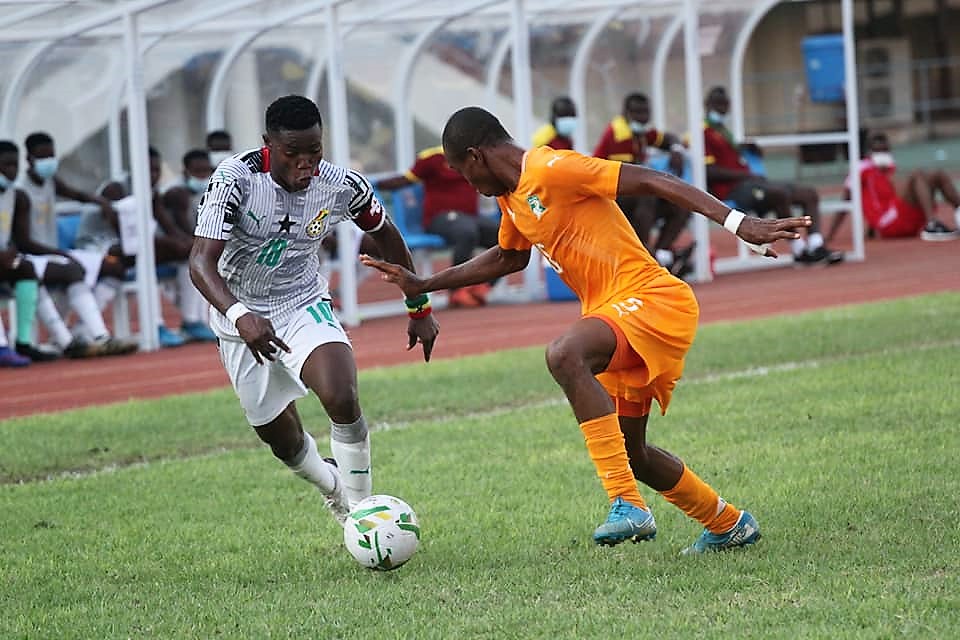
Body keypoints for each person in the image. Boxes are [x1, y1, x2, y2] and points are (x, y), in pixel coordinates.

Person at [362, 107, 809, 553]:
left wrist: (739, 222)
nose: (470, 187)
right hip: (614, 313)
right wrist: (425, 284)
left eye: (463, 173)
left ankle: (626, 504)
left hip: (651, 299)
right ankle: (728, 523)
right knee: (634, 453)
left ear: (476, 156)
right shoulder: (509, 196)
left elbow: (654, 180)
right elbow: (508, 258)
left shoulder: (553, 167)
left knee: (564, 354)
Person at [189, 95, 439, 525]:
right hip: (240, 319)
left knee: (341, 396)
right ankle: (334, 488)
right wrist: (239, 316)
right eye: (293, 154)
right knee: (283, 443)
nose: (306, 163)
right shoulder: (236, 179)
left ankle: (361, 515)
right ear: (269, 144)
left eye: (315, 151)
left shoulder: (342, 184)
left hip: (302, 302)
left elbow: (387, 236)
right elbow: (200, 263)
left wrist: (418, 306)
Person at [0, 139, 133, 359]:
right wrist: (58, 253)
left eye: (51, 156)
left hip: (45, 254)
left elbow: (76, 194)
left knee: (114, 267)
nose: (12, 171)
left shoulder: (41, 185)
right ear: (30, 159)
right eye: (7, 165)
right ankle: (74, 341)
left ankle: (86, 334)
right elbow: (22, 242)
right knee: (66, 270)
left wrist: (101, 202)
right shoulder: (22, 192)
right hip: (34, 255)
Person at [702, 86, 843, 264]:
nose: (722, 108)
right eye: (717, 104)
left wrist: (744, 148)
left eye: (725, 104)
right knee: (779, 194)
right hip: (733, 190)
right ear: (707, 105)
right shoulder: (704, 132)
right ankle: (800, 251)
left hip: (752, 184)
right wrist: (745, 176)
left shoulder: (723, 131)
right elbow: (709, 171)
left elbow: (730, 157)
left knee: (809, 194)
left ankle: (816, 246)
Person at [375, 146, 498, 308]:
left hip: (470, 217)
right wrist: (373, 184)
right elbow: (406, 179)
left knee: (503, 234)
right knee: (466, 232)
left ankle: (483, 286)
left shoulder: (475, 156)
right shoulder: (433, 158)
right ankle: (456, 290)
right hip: (440, 219)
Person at [593, 92, 691, 274]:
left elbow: (668, 138)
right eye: (638, 113)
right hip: (608, 196)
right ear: (626, 113)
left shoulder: (642, 132)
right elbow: (628, 175)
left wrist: (676, 149)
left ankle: (661, 255)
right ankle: (645, 259)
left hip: (630, 192)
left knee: (679, 204)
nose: (643, 118)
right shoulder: (618, 133)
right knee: (647, 196)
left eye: (645, 113)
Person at [829, 131, 959, 243]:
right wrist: (829, 235)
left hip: (905, 218)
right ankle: (932, 223)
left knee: (938, 174)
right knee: (917, 175)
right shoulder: (861, 168)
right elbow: (846, 200)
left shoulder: (888, 168)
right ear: (869, 152)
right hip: (889, 224)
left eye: (886, 150)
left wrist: (870, 229)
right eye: (879, 151)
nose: (883, 154)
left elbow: (878, 198)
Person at [162, 149, 218, 341]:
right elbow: (180, 226)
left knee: (203, 260)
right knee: (196, 262)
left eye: (205, 171)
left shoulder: (214, 188)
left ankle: (198, 320)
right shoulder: (175, 192)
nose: (202, 176)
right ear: (186, 171)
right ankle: (191, 321)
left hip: (188, 245)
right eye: (197, 171)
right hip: (168, 248)